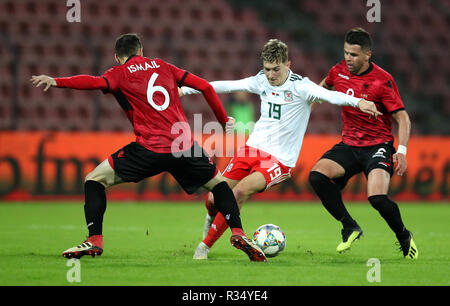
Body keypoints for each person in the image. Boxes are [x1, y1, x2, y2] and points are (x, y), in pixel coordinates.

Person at [30, 33, 267, 262]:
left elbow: (94, 82)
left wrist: (57, 81)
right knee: (220, 186)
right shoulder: (164, 66)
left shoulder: (119, 73)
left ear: (116, 57)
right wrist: (224, 120)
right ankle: (237, 232)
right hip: (183, 145)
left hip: (149, 149)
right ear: (141, 51)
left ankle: (95, 240)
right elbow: (205, 87)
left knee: (94, 179)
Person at [179, 39, 381, 259]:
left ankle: (204, 247)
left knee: (238, 192)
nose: (271, 75)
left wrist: (359, 102)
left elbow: (331, 96)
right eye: (267, 69)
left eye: (276, 69)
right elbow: (227, 84)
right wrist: (187, 89)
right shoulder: (261, 81)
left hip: (279, 159)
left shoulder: (301, 87)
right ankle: (211, 220)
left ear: (288, 65)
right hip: (252, 149)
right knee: (213, 198)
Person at [308, 28, 418, 259]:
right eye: (346, 53)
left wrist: (402, 151)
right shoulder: (337, 71)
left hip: (378, 146)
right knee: (317, 176)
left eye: (354, 55)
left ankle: (403, 235)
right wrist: (305, 109)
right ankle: (349, 226)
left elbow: (402, 117)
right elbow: (320, 91)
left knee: (377, 199)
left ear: (368, 54)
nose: (348, 58)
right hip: (349, 145)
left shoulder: (382, 80)